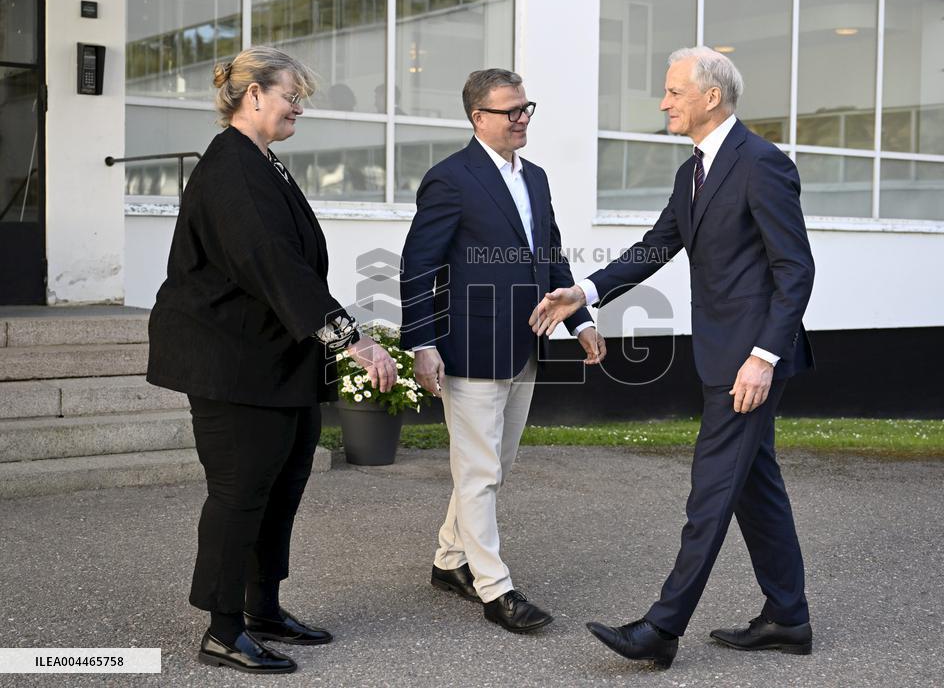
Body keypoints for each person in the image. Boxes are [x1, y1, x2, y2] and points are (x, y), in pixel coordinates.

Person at [530, 47, 816, 667]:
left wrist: (763, 357)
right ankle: (788, 618)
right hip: (722, 355)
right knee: (754, 488)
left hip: (749, 363)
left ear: (710, 97)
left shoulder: (761, 164)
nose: (664, 103)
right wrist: (587, 291)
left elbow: (796, 270)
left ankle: (661, 628)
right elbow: (657, 246)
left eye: (673, 92)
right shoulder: (695, 171)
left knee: (711, 491)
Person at [146, 46, 397, 675]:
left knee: (283, 485)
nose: (299, 107)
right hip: (232, 363)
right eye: (292, 95)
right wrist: (350, 338)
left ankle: (263, 606)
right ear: (253, 95)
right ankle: (223, 629)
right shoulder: (230, 166)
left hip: (276, 361)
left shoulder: (264, 162)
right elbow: (270, 261)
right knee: (240, 493)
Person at [400, 68, 606, 634]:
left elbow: (553, 256)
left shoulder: (535, 178)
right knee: (480, 468)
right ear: (478, 118)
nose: (522, 120)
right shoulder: (450, 179)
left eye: (525, 108)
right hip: (469, 346)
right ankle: (495, 588)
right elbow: (419, 264)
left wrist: (581, 320)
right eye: (510, 111)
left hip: (528, 344)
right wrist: (422, 343)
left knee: (494, 466)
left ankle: (449, 561)